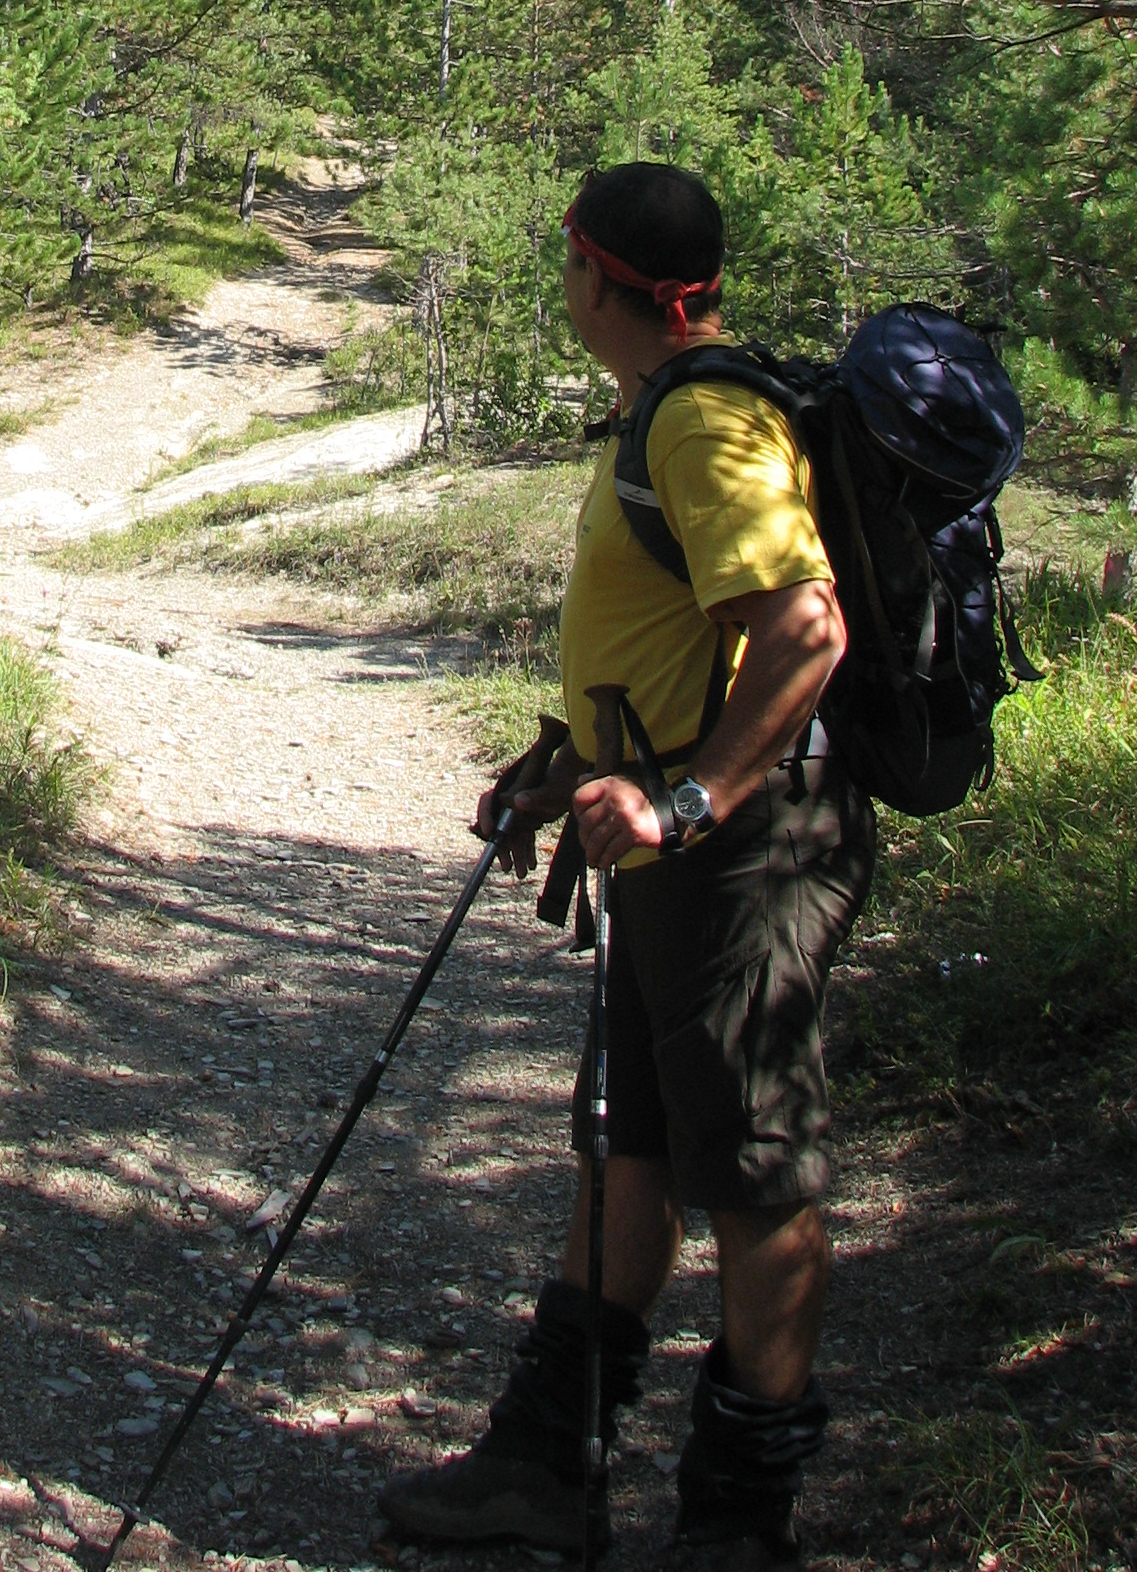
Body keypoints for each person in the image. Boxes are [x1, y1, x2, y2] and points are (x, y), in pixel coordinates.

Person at [380, 162, 875, 1570]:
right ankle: (547, 1467)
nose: (564, 284)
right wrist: (578, 772)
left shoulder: (706, 421)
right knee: (629, 1150)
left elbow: (807, 628)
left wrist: (692, 799)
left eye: (570, 263)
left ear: (601, 280)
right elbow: (681, 639)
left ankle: (739, 1527)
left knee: (757, 1175)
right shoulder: (656, 411)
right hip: (678, 835)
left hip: (746, 852)